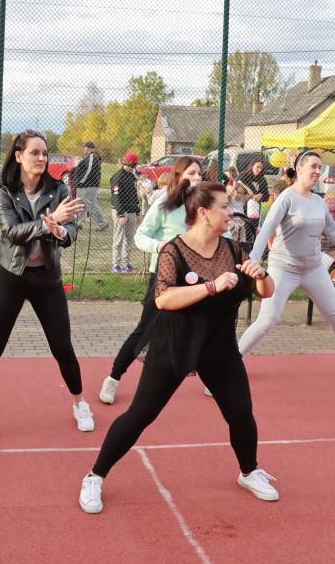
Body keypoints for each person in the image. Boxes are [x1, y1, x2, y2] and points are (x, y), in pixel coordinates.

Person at [79, 181, 277, 514]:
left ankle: (249, 471)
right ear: (203, 213)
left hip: (219, 346)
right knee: (141, 414)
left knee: (241, 412)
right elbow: (164, 298)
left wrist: (261, 274)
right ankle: (95, 475)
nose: (232, 211)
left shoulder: (232, 248)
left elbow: (266, 291)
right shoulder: (174, 250)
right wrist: (211, 287)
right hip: (174, 342)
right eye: (225, 207)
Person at [0, 129, 91, 444]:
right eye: (35, 153)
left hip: (47, 279)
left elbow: (71, 230)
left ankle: (80, 405)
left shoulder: (58, 189)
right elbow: (12, 232)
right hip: (11, 278)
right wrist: (46, 222)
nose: (42, 158)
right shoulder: (4, 192)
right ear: (18, 155)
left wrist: (59, 231)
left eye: (45, 153)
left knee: (63, 348)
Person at [239, 150, 335, 381]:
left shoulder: (318, 202)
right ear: (299, 169)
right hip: (284, 268)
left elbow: (334, 232)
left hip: (314, 269)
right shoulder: (287, 198)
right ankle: (230, 366)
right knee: (267, 320)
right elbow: (267, 227)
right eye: (312, 166)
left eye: (319, 167)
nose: (317, 171)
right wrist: (253, 259)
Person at [99, 157, 205, 405]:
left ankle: (214, 379)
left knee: (200, 329)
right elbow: (141, 236)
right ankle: (113, 378)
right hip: (165, 279)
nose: (197, 178)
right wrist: (160, 246)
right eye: (192, 173)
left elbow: (220, 233)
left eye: (200, 174)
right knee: (145, 330)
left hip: (196, 279)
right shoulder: (164, 205)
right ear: (179, 176)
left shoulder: (204, 204)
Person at [110, 153, 141, 272]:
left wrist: (137, 212)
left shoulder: (131, 176)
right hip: (121, 211)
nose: (134, 167)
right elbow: (115, 198)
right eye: (133, 165)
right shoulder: (117, 177)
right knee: (118, 239)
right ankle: (116, 265)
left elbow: (134, 195)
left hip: (132, 211)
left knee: (129, 239)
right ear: (130, 164)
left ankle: (126, 264)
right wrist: (121, 215)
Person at [70, 140, 107, 231]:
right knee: (80, 204)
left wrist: (81, 181)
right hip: (83, 186)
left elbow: (88, 171)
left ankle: (103, 223)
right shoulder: (88, 157)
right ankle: (77, 223)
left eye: (85, 147)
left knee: (91, 204)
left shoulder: (92, 157)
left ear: (89, 148)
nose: (84, 149)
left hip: (87, 186)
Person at [236, 159, 268, 241]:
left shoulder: (262, 180)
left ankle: (251, 249)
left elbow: (266, 197)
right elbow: (235, 189)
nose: (259, 170)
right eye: (257, 167)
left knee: (252, 233)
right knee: (242, 232)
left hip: (255, 211)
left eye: (261, 168)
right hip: (243, 209)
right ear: (252, 166)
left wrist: (262, 195)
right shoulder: (243, 176)